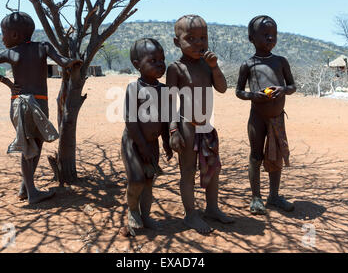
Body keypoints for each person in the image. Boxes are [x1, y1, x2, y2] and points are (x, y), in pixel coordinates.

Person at [0, 12, 82, 204]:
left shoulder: (12, 53)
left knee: (29, 145)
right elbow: (63, 62)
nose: (2, 38)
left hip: (19, 102)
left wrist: (6, 81)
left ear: (15, 35)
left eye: (3, 33)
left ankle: (26, 188)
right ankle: (32, 192)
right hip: (39, 102)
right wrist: (73, 62)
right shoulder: (43, 47)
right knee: (33, 146)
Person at [167, 15, 234, 234]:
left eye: (203, 38)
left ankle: (212, 209)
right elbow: (170, 103)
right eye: (191, 38)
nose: (199, 43)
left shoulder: (208, 65)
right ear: (177, 42)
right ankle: (190, 215)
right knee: (188, 171)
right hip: (187, 126)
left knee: (213, 169)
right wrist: (174, 130)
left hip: (207, 127)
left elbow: (222, 88)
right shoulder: (175, 68)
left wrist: (214, 67)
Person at [235, 15, 296, 215]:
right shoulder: (248, 64)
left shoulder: (281, 61)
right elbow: (238, 92)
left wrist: (283, 89)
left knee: (276, 155)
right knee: (256, 155)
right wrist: (254, 95)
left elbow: (292, 86)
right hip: (257, 118)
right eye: (265, 35)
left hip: (277, 118)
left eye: (274, 35)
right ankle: (256, 198)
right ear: (251, 38)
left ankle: (274, 196)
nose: (271, 38)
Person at [121, 38, 173, 234]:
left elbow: (166, 119)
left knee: (149, 181)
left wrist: (167, 143)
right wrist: (141, 146)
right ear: (137, 65)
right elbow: (131, 121)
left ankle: (146, 215)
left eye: (162, 59)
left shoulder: (164, 90)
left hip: (152, 143)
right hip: (133, 143)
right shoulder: (134, 88)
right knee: (136, 179)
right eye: (153, 60)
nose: (160, 64)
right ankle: (133, 211)